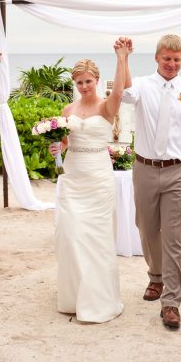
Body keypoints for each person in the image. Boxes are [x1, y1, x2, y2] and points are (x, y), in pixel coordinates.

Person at [120, 34, 181, 330]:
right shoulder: (141, 86)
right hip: (145, 169)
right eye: (167, 59)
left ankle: (172, 302)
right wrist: (122, 59)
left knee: (173, 237)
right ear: (157, 58)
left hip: (179, 172)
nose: (172, 64)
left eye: (177, 60)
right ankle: (156, 277)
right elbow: (123, 92)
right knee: (147, 229)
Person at [50, 43, 128, 323]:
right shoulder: (68, 107)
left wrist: (122, 58)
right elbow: (65, 140)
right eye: (80, 82)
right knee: (70, 234)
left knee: (95, 238)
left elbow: (119, 91)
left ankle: (99, 300)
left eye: (88, 81)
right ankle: (73, 297)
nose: (84, 86)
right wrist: (57, 148)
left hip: (97, 177)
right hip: (72, 176)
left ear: (96, 80)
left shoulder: (107, 106)